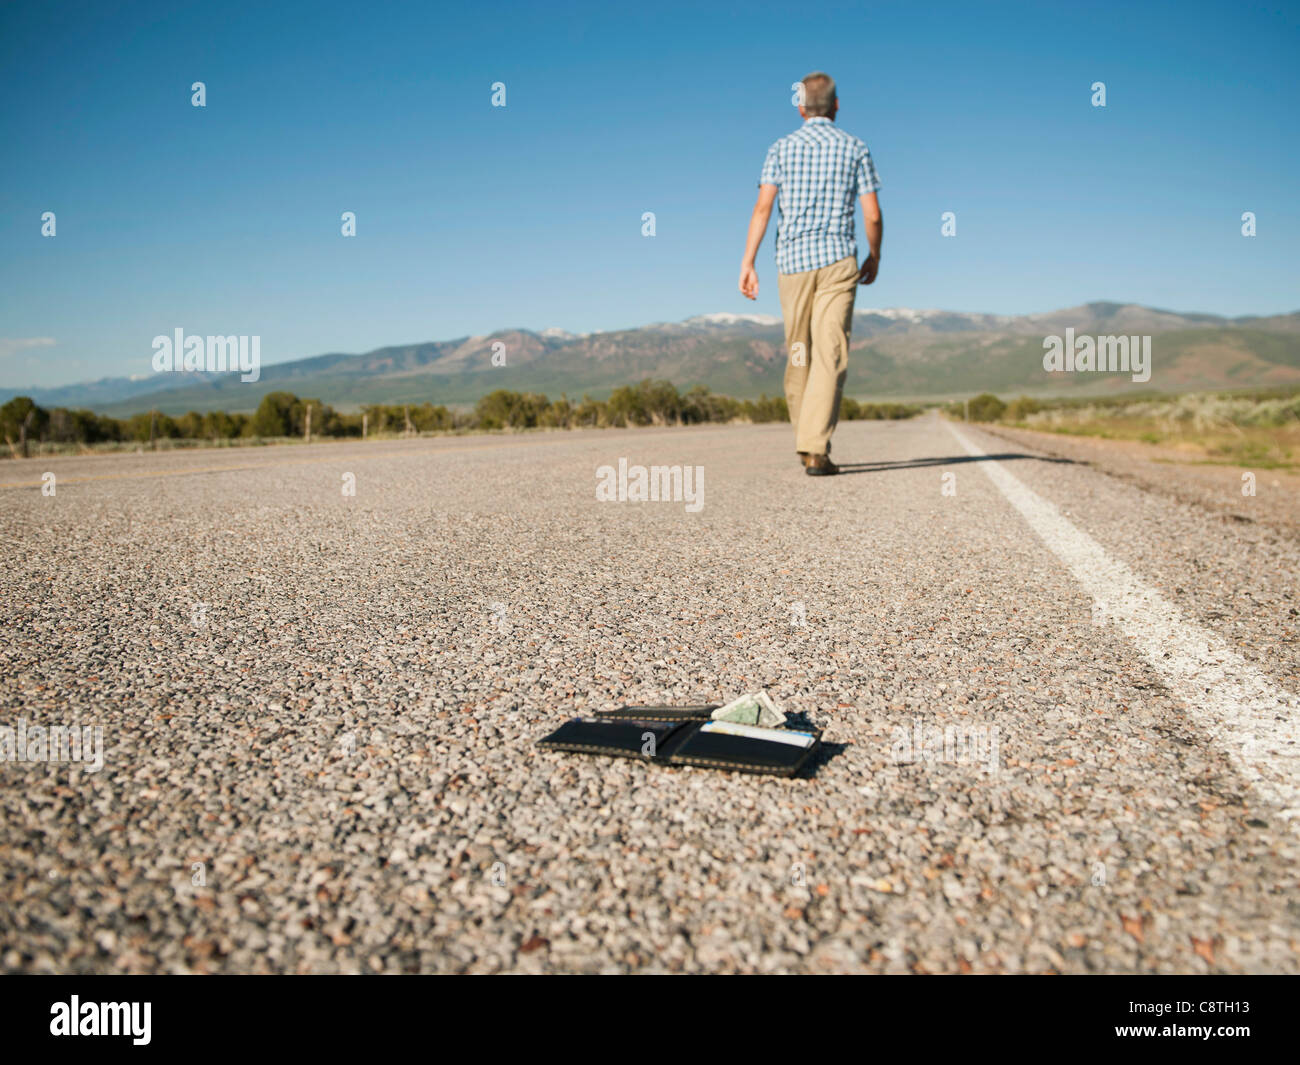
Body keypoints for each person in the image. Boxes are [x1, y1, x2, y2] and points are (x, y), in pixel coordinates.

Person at [739, 71, 883, 476]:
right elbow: (871, 213)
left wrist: (748, 261)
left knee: (800, 353)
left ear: (800, 107)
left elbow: (763, 208)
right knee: (830, 353)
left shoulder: (780, 149)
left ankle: (807, 444)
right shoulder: (855, 147)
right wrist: (876, 254)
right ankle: (815, 447)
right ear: (836, 106)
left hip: (792, 264)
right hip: (839, 262)